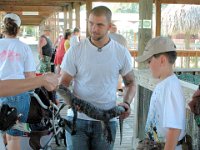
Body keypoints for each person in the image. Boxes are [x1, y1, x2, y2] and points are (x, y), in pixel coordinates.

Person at [59, 6, 136, 150]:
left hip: (108, 119)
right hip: (77, 120)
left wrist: (126, 103)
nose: (94, 28)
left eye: (99, 24)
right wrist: (70, 100)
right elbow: (62, 84)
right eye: (91, 23)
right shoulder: (75, 50)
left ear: (109, 26)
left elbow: (131, 82)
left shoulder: (121, 52)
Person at [135, 37, 186, 150]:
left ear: (162, 60)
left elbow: (174, 129)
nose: (148, 66)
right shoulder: (164, 85)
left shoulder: (171, 88)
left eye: (149, 61)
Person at [0, 13, 36, 150]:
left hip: (1, 91)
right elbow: (30, 77)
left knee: (3, 132)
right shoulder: (24, 47)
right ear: (18, 29)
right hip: (19, 94)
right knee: (14, 137)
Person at [0, 73, 59, 150]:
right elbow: (30, 75)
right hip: (19, 94)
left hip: (6, 94)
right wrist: (42, 80)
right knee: (13, 138)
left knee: (9, 136)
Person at [109, 23, 128, 94]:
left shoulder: (106, 37)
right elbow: (126, 49)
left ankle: (114, 90)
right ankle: (119, 90)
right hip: (120, 60)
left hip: (109, 60)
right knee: (119, 75)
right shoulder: (122, 38)